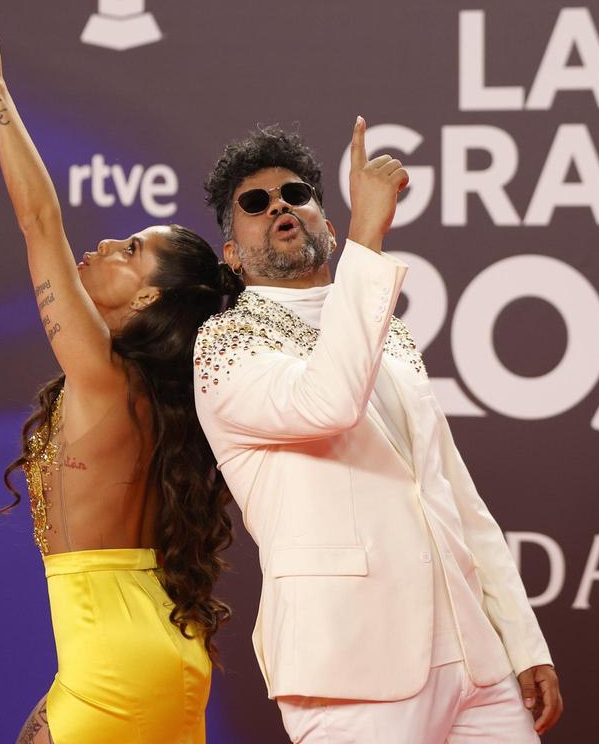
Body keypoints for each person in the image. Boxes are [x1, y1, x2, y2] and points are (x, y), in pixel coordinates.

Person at [193, 120, 564, 741]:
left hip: (475, 661)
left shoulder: (387, 331)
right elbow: (328, 402)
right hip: (351, 666)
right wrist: (371, 233)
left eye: (296, 194)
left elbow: (454, 493)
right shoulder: (226, 343)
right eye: (254, 205)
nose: (279, 205)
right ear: (232, 254)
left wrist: (522, 641)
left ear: (326, 227)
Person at [0, 0, 237, 744]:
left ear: (147, 299)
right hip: (156, 657)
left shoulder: (103, 378)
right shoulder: (147, 396)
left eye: (130, 251)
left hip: (115, 665)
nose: (106, 247)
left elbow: (39, 220)